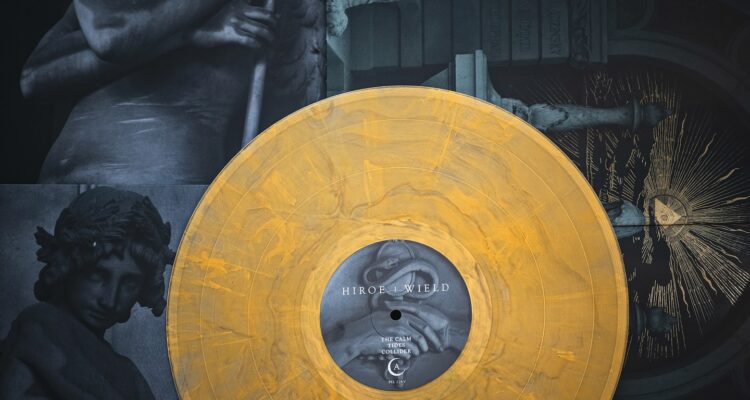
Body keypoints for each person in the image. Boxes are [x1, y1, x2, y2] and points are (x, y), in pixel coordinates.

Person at [21, 1, 279, 184]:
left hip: (153, 183)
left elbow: (110, 37)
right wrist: (185, 33)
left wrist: (167, 31)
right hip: (59, 186)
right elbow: (33, 78)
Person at [0, 187, 174, 399]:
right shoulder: (41, 323)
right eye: (97, 276)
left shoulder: (128, 374)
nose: (110, 300)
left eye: (129, 283)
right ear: (69, 267)